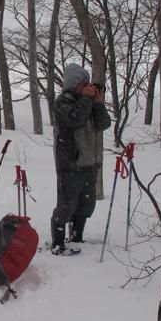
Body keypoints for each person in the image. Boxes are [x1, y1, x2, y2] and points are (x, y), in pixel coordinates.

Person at [50, 63, 111, 255]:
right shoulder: (62, 103)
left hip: (90, 162)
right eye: (85, 84)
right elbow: (75, 119)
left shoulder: (89, 103)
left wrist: (98, 103)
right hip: (70, 162)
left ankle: (77, 237)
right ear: (75, 84)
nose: (89, 87)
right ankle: (58, 243)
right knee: (66, 205)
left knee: (85, 205)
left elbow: (103, 124)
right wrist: (86, 99)